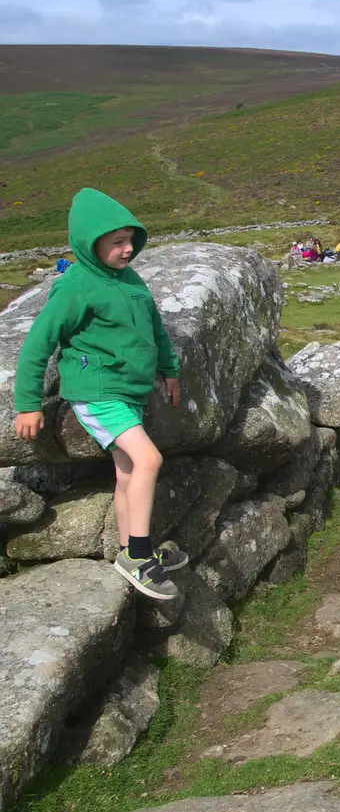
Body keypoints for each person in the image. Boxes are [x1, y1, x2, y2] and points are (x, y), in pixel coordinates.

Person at [12, 189, 189, 600]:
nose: (128, 249)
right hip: (96, 392)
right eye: (117, 242)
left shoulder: (130, 279)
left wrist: (170, 369)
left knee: (128, 471)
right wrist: (28, 404)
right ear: (90, 243)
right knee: (149, 459)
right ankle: (139, 557)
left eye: (131, 239)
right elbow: (39, 344)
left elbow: (155, 327)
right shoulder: (75, 286)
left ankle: (131, 550)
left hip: (128, 391)